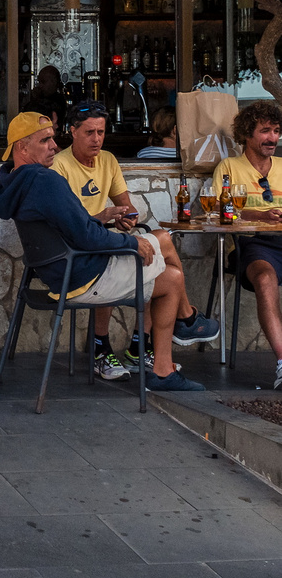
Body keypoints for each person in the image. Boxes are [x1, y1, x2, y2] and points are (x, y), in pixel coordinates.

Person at [0, 112, 201, 391]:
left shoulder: (11, 182)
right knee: (171, 277)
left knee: (161, 250)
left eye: (53, 138)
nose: (54, 146)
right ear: (22, 148)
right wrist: (132, 243)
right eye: (45, 140)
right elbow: (86, 238)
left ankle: (179, 331)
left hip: (58, 271)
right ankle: (165, 364)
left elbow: (70, 227)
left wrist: (99, 219)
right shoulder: (44, 180)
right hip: (81, 275)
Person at [53, 103, 214, 381]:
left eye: (101, 132)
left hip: (101, 240)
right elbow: (68, 224)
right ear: (72, 131)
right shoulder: (60, 166)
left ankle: (141, 344)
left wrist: (125, 217)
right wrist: (102, 216)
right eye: (89, 132)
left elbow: (126, 207)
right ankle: (179, 320)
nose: (97, 139)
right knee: (157, 242)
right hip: (76, 251)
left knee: (156, 251)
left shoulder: (108, 160)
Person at [212, 101, 282, 390]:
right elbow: (217, 209)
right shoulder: (229, 167)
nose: (273, 138)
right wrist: (256, 215)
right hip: (251, 244)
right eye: (265, 131)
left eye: (277, 131)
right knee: (266, 279)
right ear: (247, 135)